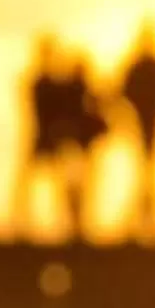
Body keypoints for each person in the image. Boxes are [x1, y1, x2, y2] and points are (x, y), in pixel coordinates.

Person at [116, 21, 155, 240]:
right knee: (147, 171)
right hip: (142, 123)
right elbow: (124, 90)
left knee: (148, 172)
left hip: (151, 123)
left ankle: (144, 220)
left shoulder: (150, 66)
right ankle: (148, 221)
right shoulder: (144, 66)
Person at [54, 49, 107, 244]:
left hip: (79, 148)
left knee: (78, 187)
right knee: (76, 187)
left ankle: (77, 224)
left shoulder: (74, 92)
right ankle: (75, 224)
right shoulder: (80, 93)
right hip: (77, 148)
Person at [13, 36, 64, 238]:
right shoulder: (43, 81)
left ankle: (26, 219)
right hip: (43, 134)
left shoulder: (40, 80)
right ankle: (22, 219)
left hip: (44, 135)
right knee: (39, 180)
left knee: (47, 180)